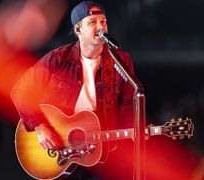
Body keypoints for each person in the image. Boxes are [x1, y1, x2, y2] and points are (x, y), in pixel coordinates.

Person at [11, 0, 136, 178]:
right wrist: (40, 126)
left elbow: (127, 103)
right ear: (78, 30)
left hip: (101, 151)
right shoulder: (58, 59)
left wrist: (132, 129)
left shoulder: (121, 61)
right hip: (60, 147)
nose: (101, 26)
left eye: (103, 21)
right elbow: (21, 90)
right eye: (93, 22)